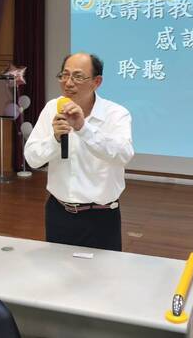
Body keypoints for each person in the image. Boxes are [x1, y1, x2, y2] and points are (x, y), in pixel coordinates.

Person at [24, 53, 134, 251]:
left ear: (97, 82)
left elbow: (123, 154)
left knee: (103, 270)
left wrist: (83, 128)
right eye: (64, 75)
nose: (68, 83)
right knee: (56, 268)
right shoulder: (52, 108)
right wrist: (55, 139)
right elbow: (32, 158)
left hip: (101, 217)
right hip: (59, 212)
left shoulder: (116, 114)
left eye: (78, 76)